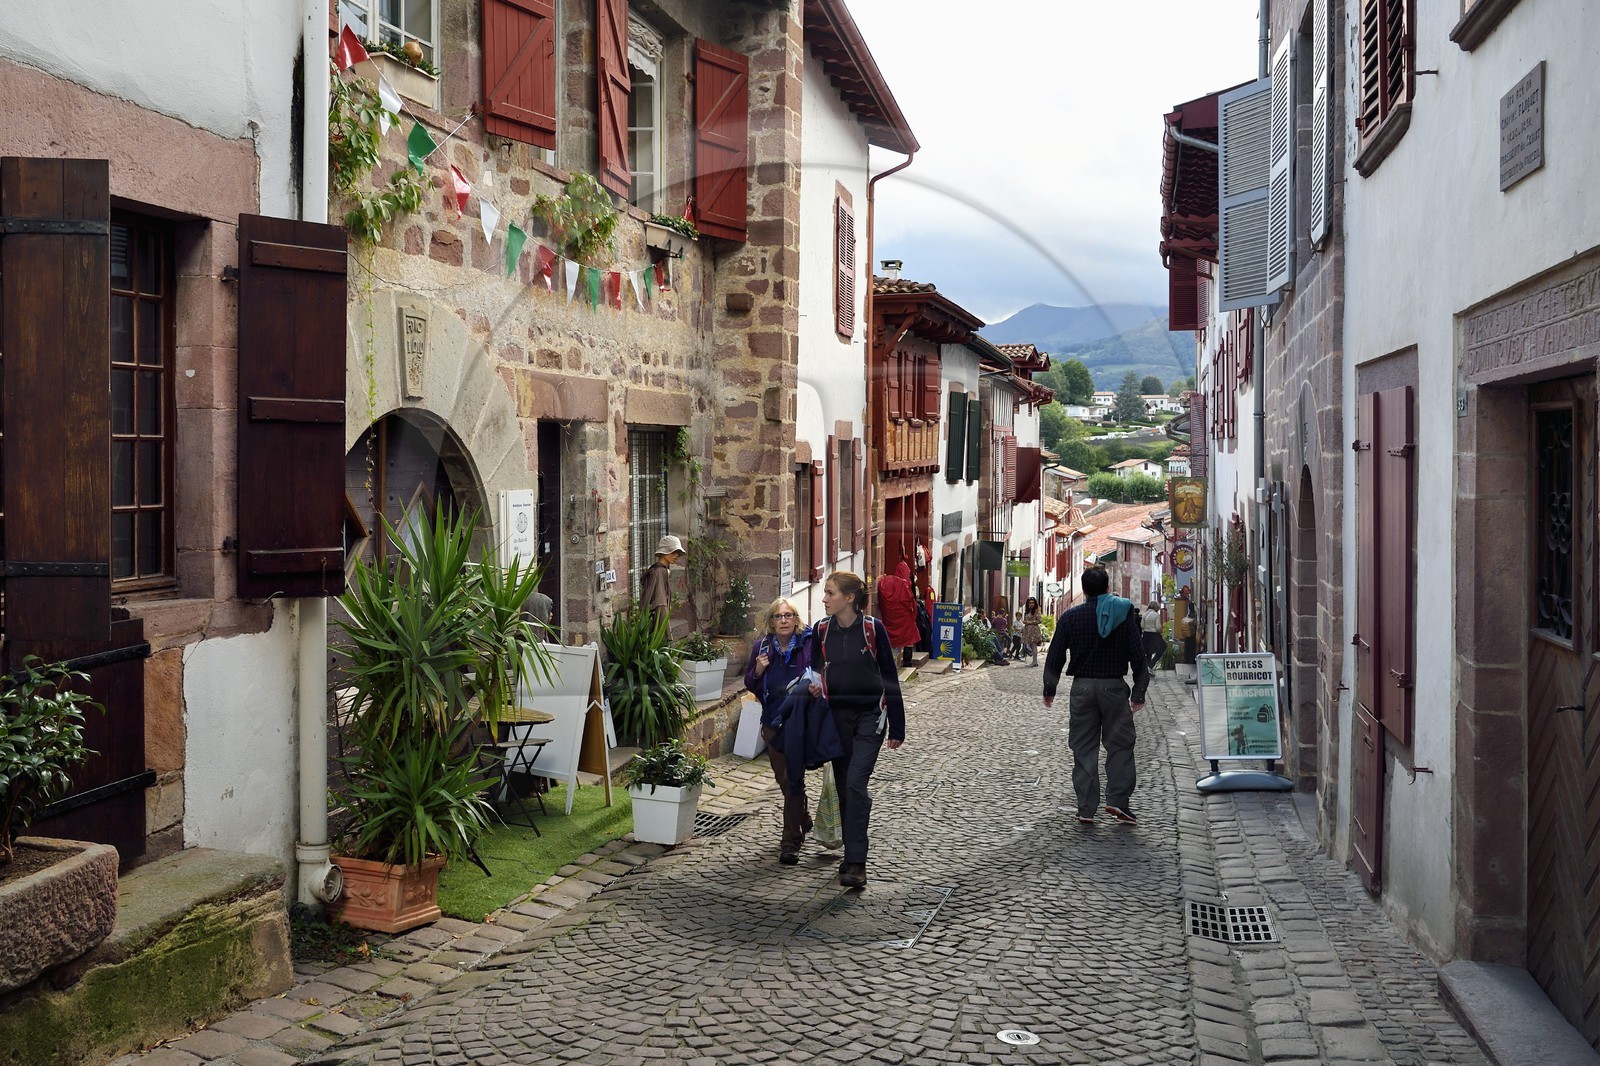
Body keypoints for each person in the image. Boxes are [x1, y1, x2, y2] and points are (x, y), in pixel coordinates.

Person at [809, 571, 905, 889]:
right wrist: (813, 689)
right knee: (843, 788)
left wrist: (898, 727)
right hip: (836, 720)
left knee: (854, 784)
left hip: (869, 718)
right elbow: (815, 672)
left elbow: (890, 677)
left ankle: (857, 862)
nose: (824, 598)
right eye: (825, 592)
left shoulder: (872, 629)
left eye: (830, 593)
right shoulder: (821, 631)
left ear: (849, 598)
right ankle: (851, 855)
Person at [1041, 567, 1150, 826]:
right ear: (1107, 586)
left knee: (1083, 748)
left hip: (1082, 689)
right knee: (1120, 746)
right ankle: (1117, 801)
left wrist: (1049, 689)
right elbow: (1138, 655)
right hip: (1114, 688)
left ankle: (1086, 808)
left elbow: (1055, 655)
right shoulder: (1124, 615)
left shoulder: (1070, 617)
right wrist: (1139, 691)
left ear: (1085, 589)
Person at [743, 597, 814, 865]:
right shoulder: (761, 647)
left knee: (793, 779)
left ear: (796, 619)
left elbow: (820, 672)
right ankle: (803, 817)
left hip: (800, 723)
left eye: (788, 615)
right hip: (773, 723)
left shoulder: (808, 644)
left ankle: (790, 843)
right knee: (784, 780)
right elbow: (750, 683)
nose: (783, 620)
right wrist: (759, 671)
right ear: (771, 623)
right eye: (778, 616)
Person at [875, 561, 920, 667]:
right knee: (908, 639)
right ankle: (907, 663)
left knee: (891, 641)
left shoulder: (888, 582)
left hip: (890, 619)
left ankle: (891, 663)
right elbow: (909, 602)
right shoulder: (904, 585)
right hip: (904, 619)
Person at [639, 534, 684, 625]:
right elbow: (660, 602)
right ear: (663, 552)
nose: (676, 555)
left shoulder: (662, 570)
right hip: (656, 620)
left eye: (678, 552)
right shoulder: (658, 572)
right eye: (673, 551)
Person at [1141, 599, 1166, 669]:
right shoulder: (1156, 615)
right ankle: (1151, 665)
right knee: (1163, 647)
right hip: (1154, 635)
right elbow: (1158, 628)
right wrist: (1160, 630)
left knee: (1148, 652)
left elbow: (1142, 625)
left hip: (1146, 635)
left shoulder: (1144, 614)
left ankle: (1147, 668)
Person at [1020, 597, 1044, 667]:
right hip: (1028, 630)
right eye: (1030, 603)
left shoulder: (1037, 611)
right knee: (1031, 645)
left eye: (1033, 603)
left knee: (1033, 646)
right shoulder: (1027, 611)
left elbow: (1039, 620)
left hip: (1034, 630)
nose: (1031, 604)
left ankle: (1035, 661)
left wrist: (1029, 622)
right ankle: (1034, 661)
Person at [990, 597, 1011, 664]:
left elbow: (993, 623)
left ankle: (1001, 654)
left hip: (997, 632)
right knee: (1009, 639)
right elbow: (1005, 624)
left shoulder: (995, 619)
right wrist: (1006, 618)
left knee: (999, 644)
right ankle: (1008, 649)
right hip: (1002, 632)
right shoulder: (1004, 619)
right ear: (1003, 613)